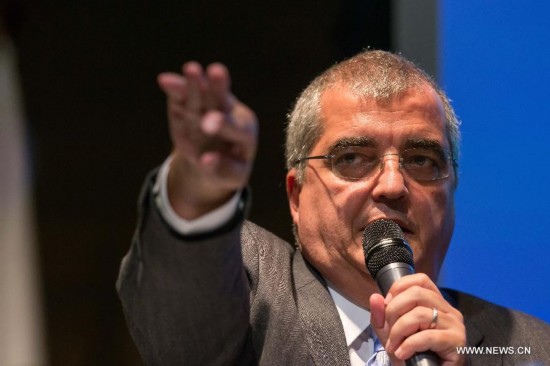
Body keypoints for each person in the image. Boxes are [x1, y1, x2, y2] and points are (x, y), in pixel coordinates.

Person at [117, 50, 550, 365]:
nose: (394, 185)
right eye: (353, 159)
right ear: (296, 196)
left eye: (421, 160)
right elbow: (184, 319)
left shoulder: (529, 346)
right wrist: (199, 191)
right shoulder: (250, 285)